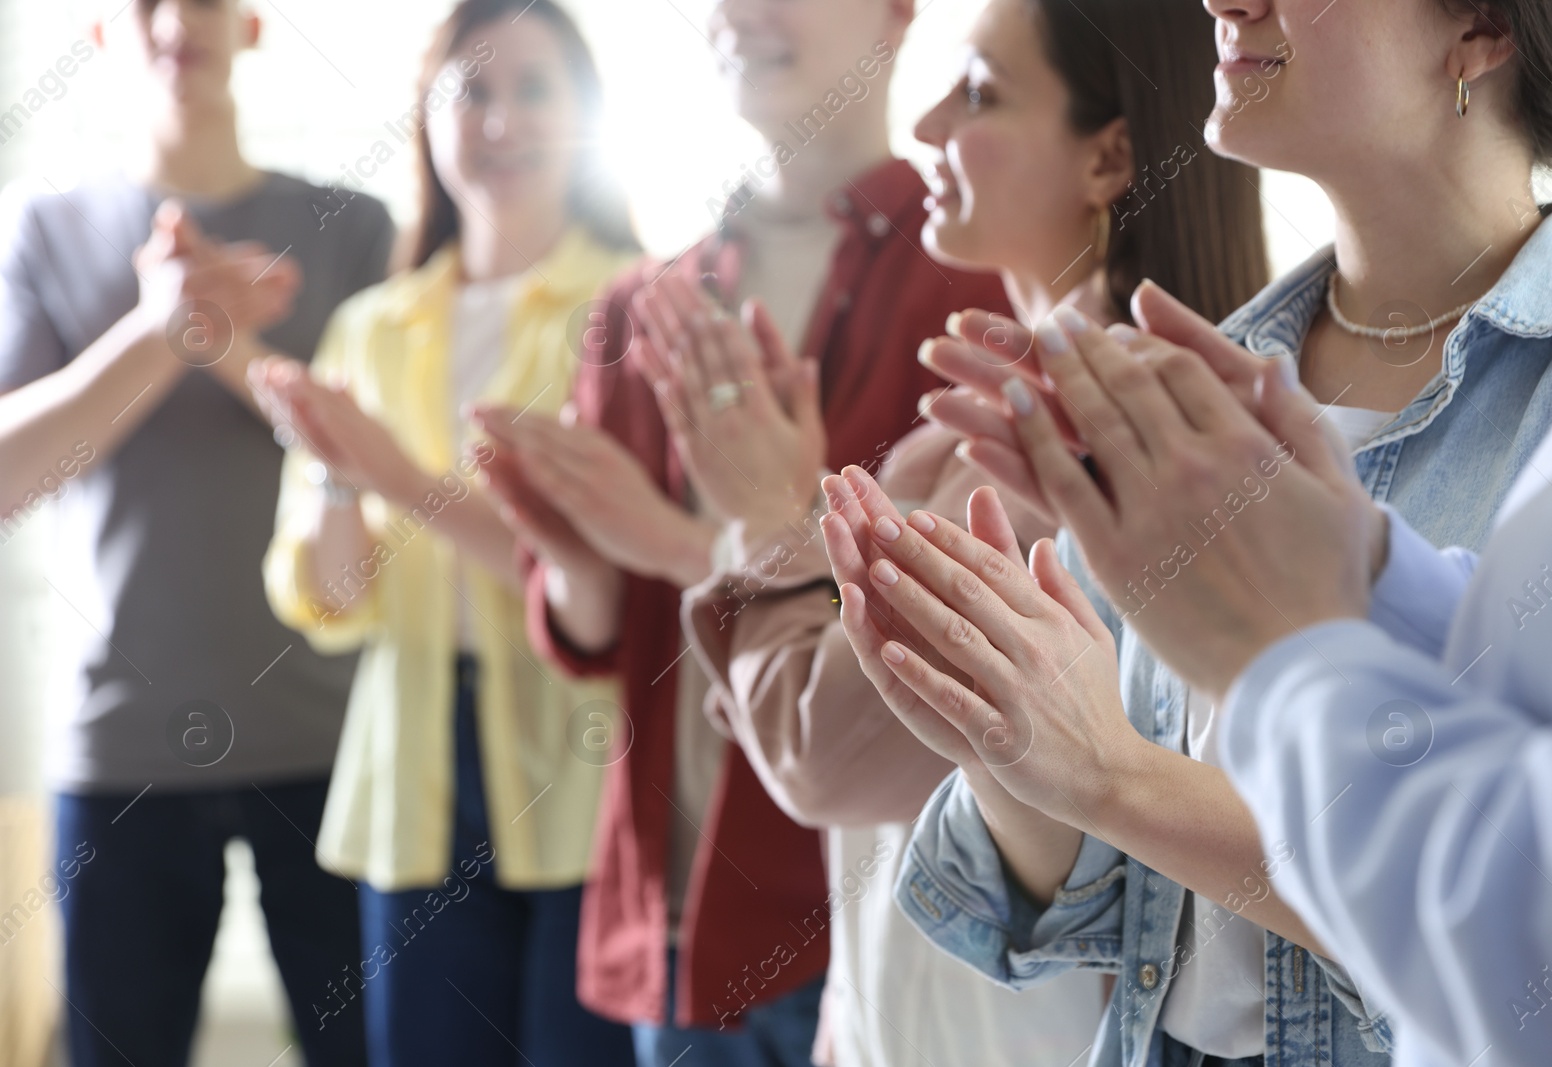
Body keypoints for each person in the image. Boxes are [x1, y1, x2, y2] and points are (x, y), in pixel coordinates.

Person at [819, 0, 1552, 1065]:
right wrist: (1015, 731)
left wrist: (1114, 773)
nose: (1224, 3)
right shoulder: (1199, 383)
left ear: (1480, 30)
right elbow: (1117, 916)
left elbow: (1537, 942)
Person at [636, 0, 1268, 1063]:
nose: (924, 124)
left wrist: (762, 518)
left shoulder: (1084, 432)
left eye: (977, 93)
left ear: (1110, 156)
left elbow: (821, 750)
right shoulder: (1016, 396)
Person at [465, 0, 1010, 1063]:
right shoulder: (641, 303)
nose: (739, 14)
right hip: (676, 917)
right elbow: (591, 636)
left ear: (898, 14)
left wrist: (677, 544)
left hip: (883, 914)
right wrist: (577, 551)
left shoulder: (977, 290)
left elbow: (958, 622)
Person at [0, 0, 393, 1063]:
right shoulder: (48, 230)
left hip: (334, 741)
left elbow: (395, 464)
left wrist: (218, 340)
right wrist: (155, 328)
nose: (180, 21)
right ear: (98, 35)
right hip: (118, 748)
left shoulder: (354, 227)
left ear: (253, 25)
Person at [252, 2, 638, 1065]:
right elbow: (332, 600)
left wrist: (386, 468)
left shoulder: (629, 310)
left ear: (584, 114)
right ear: (427, 117)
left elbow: (600, 570)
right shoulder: (371, 326)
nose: (500, 120)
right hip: (413, 770)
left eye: (534, 89)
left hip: (587, 767)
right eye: (471, 90)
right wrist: (336, 468)